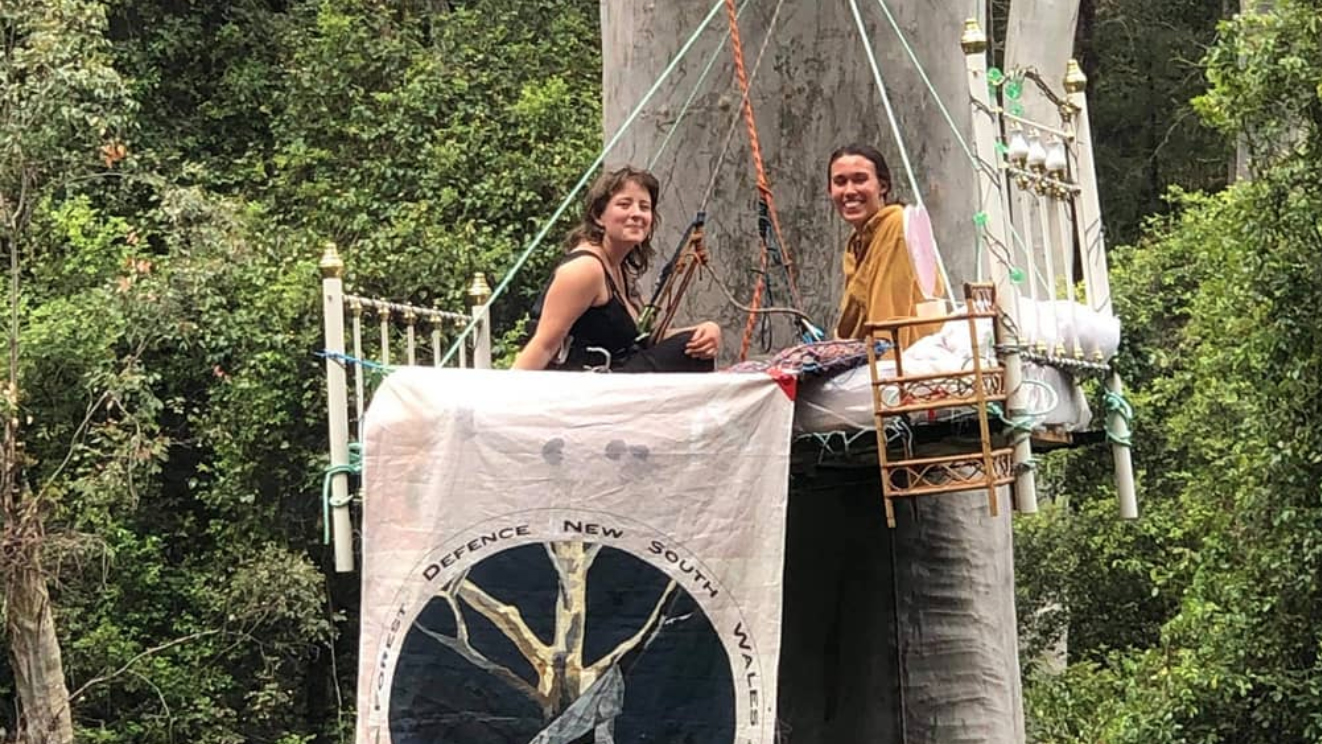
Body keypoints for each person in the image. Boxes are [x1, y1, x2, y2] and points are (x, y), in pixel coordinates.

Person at [513, 166, 722, 372]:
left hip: (614, 378)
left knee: (692, 345)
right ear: (599, 216)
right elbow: (543, 345)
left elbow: (644, 338)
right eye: (624, 205)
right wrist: (505, 400)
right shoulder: (585, 268)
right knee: (685, 350)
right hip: (583, 387)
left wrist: (705, 331)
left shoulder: (618, 268)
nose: (636, 214)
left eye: (644, 207)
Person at [827, 143, 945, 348]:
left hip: (900, 364)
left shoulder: (896, 225)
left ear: (883, 186)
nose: (849, 191)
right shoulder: (856, 242)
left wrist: (882, 371)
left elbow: (888, 316)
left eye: (860, 179)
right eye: (840, 182)